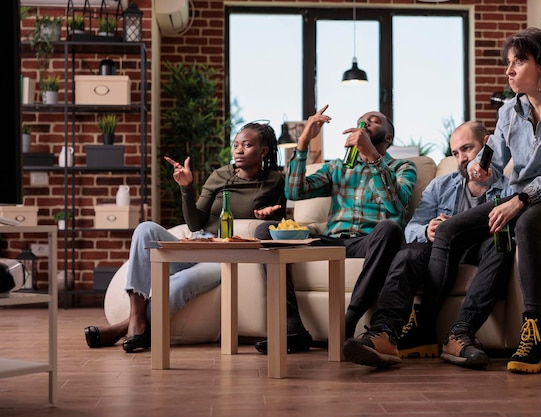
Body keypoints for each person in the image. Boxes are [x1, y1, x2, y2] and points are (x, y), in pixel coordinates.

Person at [429, 27, 541, 374]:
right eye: (508, 63)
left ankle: (533, 333)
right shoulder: (509, 110)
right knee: (449, 232)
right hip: (521, 196)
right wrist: (481, 170)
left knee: (528, 222)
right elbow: (492, 158)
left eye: (519, 62)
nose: (509, 70)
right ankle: (426, 331)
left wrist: (521, 199)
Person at [84, 121, 287, 353]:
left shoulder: (275, 181)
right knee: (144, 229)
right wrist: (186, 188)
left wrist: (265, 217)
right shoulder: (220, 175)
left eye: (247, 145)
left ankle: (127, 327)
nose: (238, 150)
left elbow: (276, 226)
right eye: (236, 145)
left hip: (225, 257)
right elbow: (195, 222)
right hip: (199, 242)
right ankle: (134, 325)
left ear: (263, 151)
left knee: (180, 283)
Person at [343, 121, 514, 368]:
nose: (462, 159)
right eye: (456, 153)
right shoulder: (440, 186)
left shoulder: (508, 187)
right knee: (408, 254)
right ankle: (383, 333)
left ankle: (460, 334)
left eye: (467, 149)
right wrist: (427, 229)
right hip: (438, 253)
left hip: (480, 251)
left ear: (487, 144)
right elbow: (411, 228)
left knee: (501, 244)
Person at [253, 104, 417, 354]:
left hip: (370, 242)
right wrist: (304, 142)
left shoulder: (402, 168)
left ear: (388, 137)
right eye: (361, 121)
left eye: (373, 121)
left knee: (390, 229)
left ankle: (348, 321)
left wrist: (372, 155)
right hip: (332, 242)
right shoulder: (337, 168)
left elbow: (396, 203)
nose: (364, 123)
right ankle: (293, 327)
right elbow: (295, 192)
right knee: (266, 230)